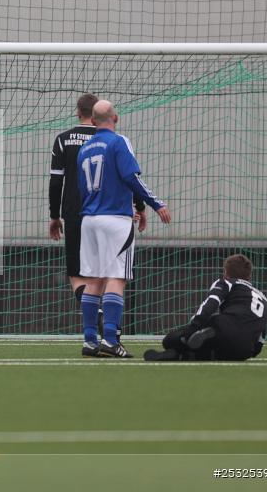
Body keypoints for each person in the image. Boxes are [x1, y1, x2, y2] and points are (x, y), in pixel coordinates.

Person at [77, 100, 171, 358]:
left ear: (93, 121)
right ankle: (110, 340)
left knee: (93, 280)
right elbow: (131, 177)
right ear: (115, 118)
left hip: (89, 220)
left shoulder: (85, 149)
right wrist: (154, 204)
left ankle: (89, 340)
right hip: (114, 220)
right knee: (116, 279)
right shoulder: (118, 143)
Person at [49, 94, 147, 342]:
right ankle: (109, 324)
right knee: (111, 274)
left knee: (81, 275)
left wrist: (54, 216)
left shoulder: (63, 140)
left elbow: (56, 180)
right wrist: (139, 206)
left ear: (78, 112)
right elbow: (129, 176)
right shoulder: (111, 139)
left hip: (76, 213)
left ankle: (97, 320)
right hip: (110, 211)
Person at [144, 254, 267, 361]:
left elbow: (211, 303)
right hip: (245, 348)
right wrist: (252, 350)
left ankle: (193, 342)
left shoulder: (227, 282)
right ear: (249, 276)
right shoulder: (263, 297)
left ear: (226, 273)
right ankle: (183, 355)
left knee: (171, 340)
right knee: (216, 350)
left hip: (224, 327)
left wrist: (193, 327)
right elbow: (262, 334)